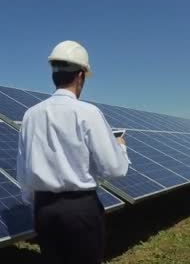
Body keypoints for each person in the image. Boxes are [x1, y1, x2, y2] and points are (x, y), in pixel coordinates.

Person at [16, 40, 130, 264]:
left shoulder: (31, 115)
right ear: (81, 76)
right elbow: (114, 168)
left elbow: (23, 169)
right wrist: (121, 147)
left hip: (44, 209)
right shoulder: (88, 112)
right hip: (80, 210)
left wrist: (36, 203)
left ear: (53, 75)